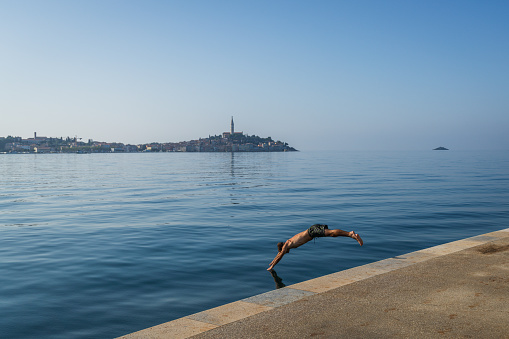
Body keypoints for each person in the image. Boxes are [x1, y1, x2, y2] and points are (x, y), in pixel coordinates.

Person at [267, 224, 363, 271]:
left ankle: (350, 234)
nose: (286, 252)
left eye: (284, 251)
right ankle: (350, 234)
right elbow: (279, 254)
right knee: (332, 234)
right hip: (312, 232)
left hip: (312, 231)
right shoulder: (287, 244)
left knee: (332, 233)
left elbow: (280, 256)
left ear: (283, 248)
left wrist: (273, 266)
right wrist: (273, 260)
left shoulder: (287, 245)